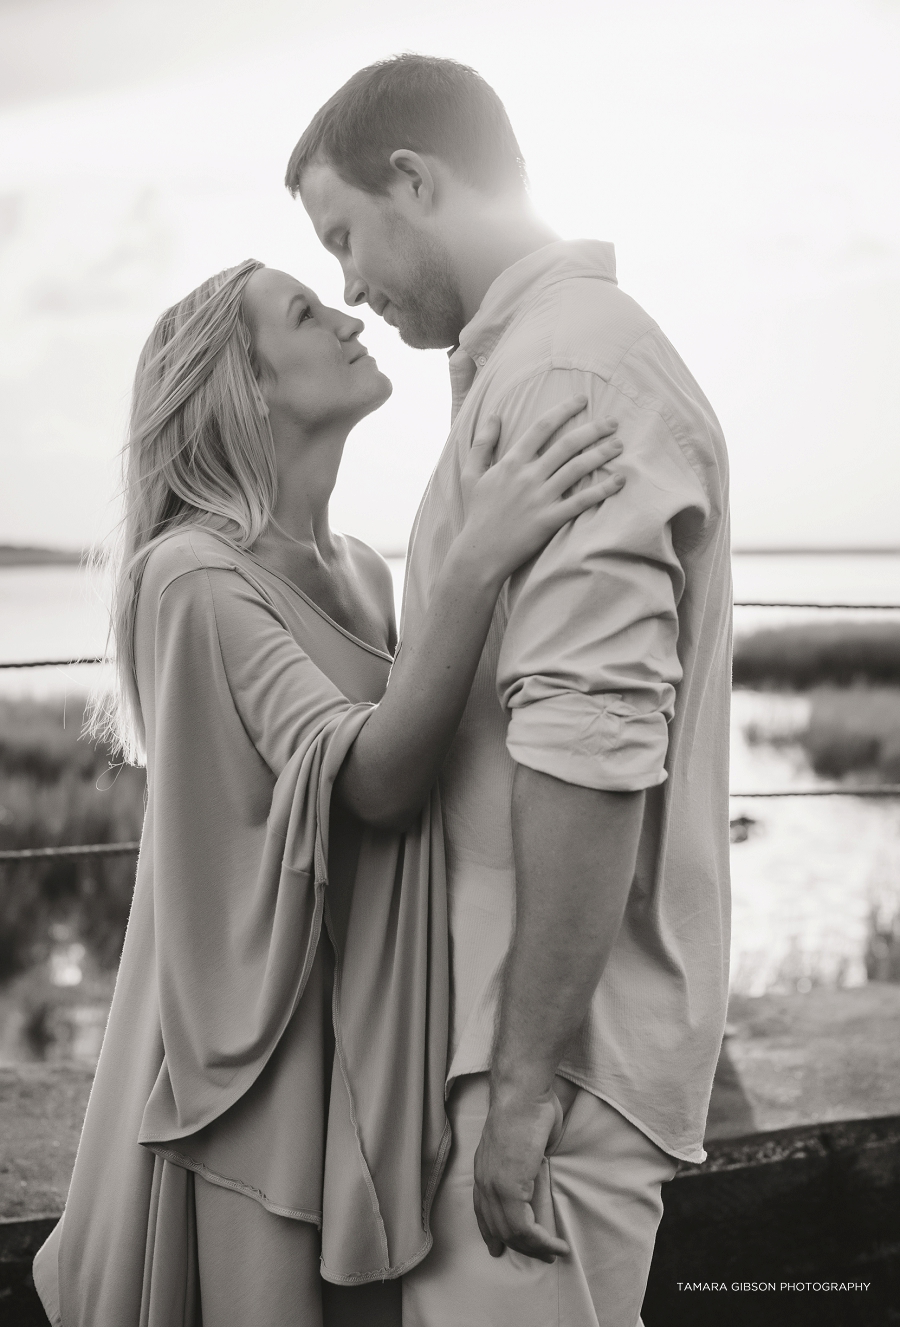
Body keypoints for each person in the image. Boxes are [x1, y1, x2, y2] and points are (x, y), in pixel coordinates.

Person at [31, 258, 625, 1327]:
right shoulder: (191, 575)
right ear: (245, 386)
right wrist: (476, 563)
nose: (351, 317)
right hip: (258, 1058)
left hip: (367, 1034)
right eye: (306, 312)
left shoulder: (361, 568)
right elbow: (379, 782)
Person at [289, 53, 733, 1327]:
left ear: (415, 181)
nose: (349, 287)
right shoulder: (534, 364)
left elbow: (589, 745)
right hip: (510, 1045)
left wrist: (526, 1086)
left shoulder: (563, 379)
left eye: (344, 235)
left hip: (541, 1064)